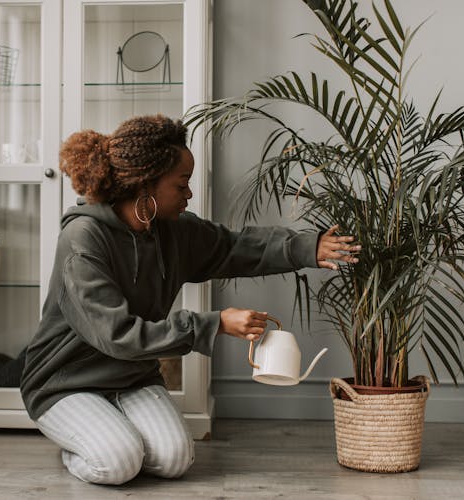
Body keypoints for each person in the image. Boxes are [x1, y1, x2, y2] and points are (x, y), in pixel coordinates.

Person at [20, 114, 360, 485]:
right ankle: (82, 445)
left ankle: (106, 432)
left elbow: (235, 246)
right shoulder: (83, 239)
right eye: (181, 184)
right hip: (66, 382)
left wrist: (308, 248)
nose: (189, 194)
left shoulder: (172, 230)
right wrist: (213, 324)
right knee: (118, 463)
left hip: (132, 377)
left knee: (175, 460)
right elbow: (117, 335)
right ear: (146, 183)